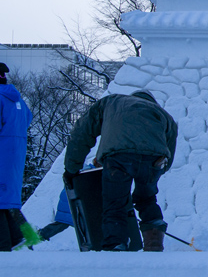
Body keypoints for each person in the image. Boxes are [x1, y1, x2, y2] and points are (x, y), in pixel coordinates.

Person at [64, 89, 178, 252]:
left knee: (115, 202)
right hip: (154, 159)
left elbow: (82, 132)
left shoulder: (112, 102)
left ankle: (116, 246)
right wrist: (155, 173)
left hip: (118, 157)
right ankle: (154, 243)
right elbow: (169, 153)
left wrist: (71, 168)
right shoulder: (163, 114)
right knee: (147, 199)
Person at [1, 62, 34, 252]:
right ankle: (28, 240)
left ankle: (3, 248)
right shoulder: (18, 100)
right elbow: (27, 120)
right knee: (9, 201)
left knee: (2, 202)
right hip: (15, 157)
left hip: (1, 156)